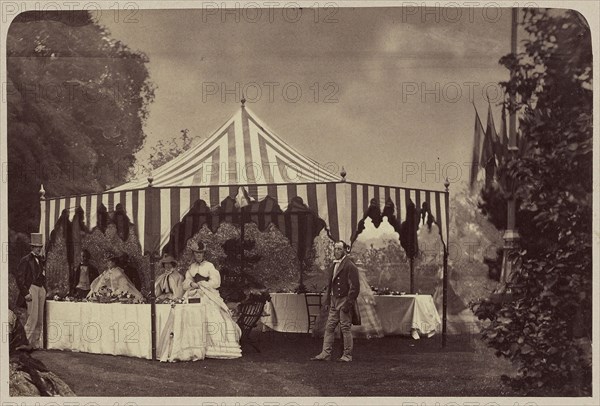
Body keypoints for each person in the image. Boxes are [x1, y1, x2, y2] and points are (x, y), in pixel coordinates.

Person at [157, 240, 241, 362]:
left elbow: (216, 282)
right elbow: (185, 283)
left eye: (200, 254)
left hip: (207, 293)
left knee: (210, 313)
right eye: (196, 254)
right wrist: (192, 283)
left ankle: (212, 347)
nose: (198, 256)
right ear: (194, 254)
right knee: (188, 311)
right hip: (194, 291)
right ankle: (191, 345)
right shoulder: (192, 267)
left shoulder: (209, 266)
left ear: (204, 254)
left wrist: (204, 284)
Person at [311, 241, 360, 362]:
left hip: (344, 300)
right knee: (329, 327)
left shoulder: (350, 265)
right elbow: (330, 285)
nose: (336, 251)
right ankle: (325, 353)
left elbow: (355, 288)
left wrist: (348, 304)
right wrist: (327, 301)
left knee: (345, 328)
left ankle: (347, 355)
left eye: (339, 249)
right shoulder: (333, 265)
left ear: (345, 250)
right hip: (334, 300)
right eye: (335, 249)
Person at [15, 233, 47, 349]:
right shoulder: (26, 260)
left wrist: (44, 289)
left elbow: (42, 276)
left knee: (39, 319)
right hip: (31, 288)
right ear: (32, 247)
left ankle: (35, 344)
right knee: (32, 318)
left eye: (40, 246)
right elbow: (19, 278)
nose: (39, 249)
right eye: (36, 246)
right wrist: (25, 293)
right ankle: (25, 343)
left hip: (40, 289)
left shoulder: (40, 260)